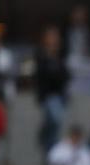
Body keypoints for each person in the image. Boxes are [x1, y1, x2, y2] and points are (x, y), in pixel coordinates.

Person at [34, 26, 70, 156]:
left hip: (59, 95)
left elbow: (65, 75)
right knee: (54, 119)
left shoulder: (61, 54)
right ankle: (49, 143)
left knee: (56, 123)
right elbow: (43, 76)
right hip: (48, 95)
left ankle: (51, 147)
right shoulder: (41, 54)